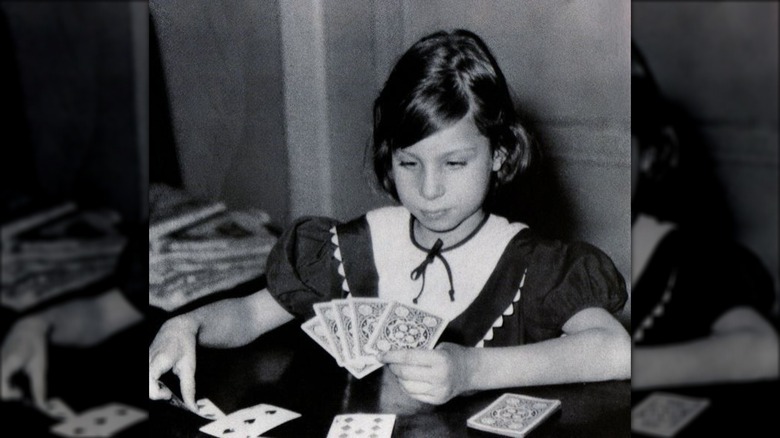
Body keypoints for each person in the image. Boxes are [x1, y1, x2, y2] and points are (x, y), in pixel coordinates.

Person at [149, 29, 630, 410]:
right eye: (409, 163)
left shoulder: (534, 265)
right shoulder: (350, 248)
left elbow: (617, 350)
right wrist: (189, 323)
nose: (429, 189)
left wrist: (470, 371)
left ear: (500, 155)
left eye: (455, 163)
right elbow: (249, 314)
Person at [630, 43, 778, 389]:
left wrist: (621, 367)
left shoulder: (693, 259)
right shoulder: (565, 257)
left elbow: (766, 350)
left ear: (651, 156)